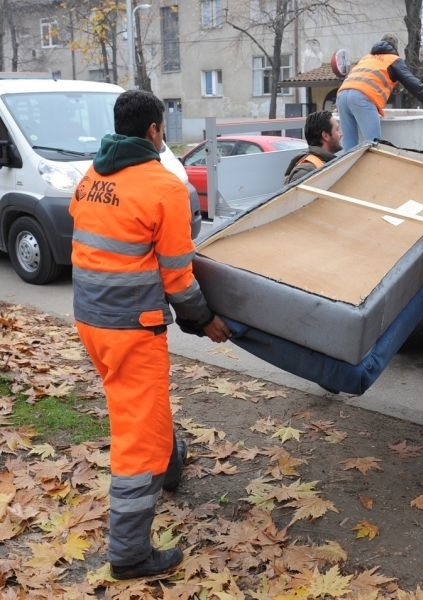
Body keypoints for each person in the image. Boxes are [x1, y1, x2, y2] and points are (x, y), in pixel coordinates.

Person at [69, 90, 232, 580]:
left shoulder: (93, 175)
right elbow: (179, 276)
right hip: (130, 328)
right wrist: (205, 321)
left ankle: (171, 461)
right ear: (156, 131)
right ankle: (130, 553)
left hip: (91, 322)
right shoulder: (165, 188)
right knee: (137, 438)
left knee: (137, 403)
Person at [336, 33, 423, 151]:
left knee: (349, 144)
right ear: (395, 48)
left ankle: (349, 169)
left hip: (342, 96)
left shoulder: (366, 58)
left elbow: (357, 82)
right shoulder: (393, 60)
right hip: (362, 97)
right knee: (374, 146)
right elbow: (415, 85)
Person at [284, 110, 342, 183]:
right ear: (325, 136)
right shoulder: (305, 172)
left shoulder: (324, 163)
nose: (341, 134)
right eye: (337, 129)